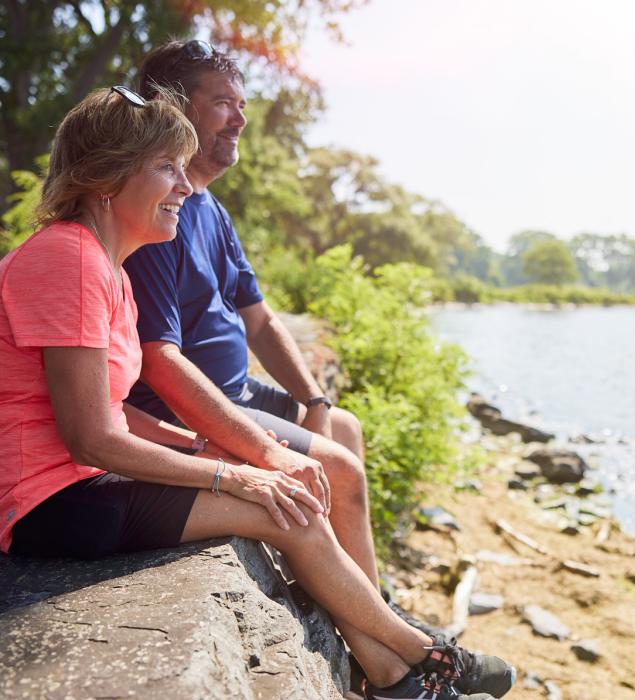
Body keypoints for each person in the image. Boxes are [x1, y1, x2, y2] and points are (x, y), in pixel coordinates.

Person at [0, 87, 510, 700]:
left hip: (81, 484)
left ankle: (391, 679)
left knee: (286, 495)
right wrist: (233, 475)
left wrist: (198, 448)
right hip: (48, 503)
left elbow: (114, 408)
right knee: (282, 509)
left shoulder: (107, 268)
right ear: (105, 177)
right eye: (166, 167)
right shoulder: (67, 259)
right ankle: (421, 655)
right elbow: (91, 436)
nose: (185, 185)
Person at [124, 40, 418, 636]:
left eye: (242, 104)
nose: (240, 118)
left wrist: (314, 401)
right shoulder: (155, 212)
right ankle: (378, 641)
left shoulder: (212, 209)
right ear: (174, 108)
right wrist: (263, 448)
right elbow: (158, 363)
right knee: (341, 470)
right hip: (196, 409)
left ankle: (361, 598)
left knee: (343, 427)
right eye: (223, 103)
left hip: (240, 392)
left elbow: (259, 320)